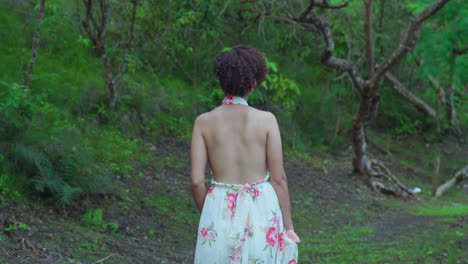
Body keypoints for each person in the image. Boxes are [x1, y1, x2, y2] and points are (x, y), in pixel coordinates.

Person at [190, 45, 300, 264]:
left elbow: (196, 181)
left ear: (222, 80)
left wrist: (210, 213)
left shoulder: (203, 122)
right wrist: (288, 228)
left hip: (218, 207)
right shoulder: (267, 120)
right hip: (260, 210)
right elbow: (279, 179)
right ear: (253, 81)